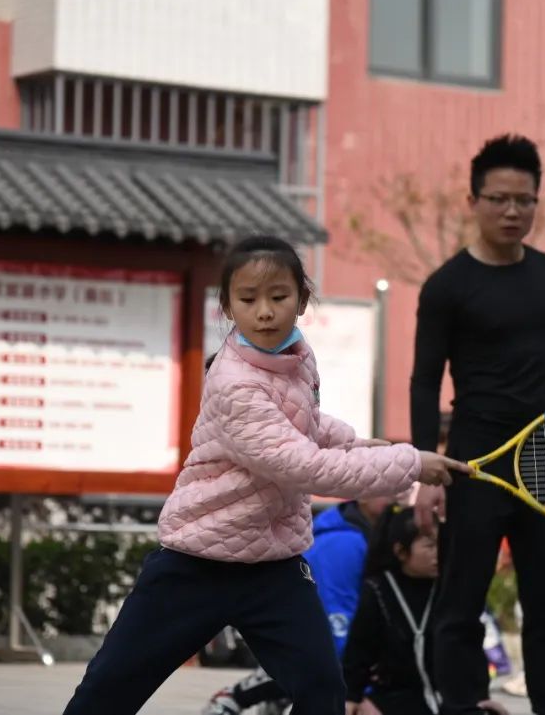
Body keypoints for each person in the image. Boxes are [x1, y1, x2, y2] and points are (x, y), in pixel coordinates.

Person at [62, 235, 467, 715]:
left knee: (322, 692)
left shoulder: (298, 357)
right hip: (198, 561)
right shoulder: (234, 383)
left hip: (274, 567)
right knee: (107, 693)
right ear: (229, 307)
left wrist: (360, 443)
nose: (265, 311)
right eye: (248, 299)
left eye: (278, 297)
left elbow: (304, 426)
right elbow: (301, 464)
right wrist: (410, 464)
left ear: (302, 299)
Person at [411, 134, 545, 714]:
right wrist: (424, 471)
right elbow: (424, 380)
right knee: (460, 604)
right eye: (499, 199)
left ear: (537, 202)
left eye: (525, 200)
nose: (513, 211)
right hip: (475, 458)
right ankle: (465, 707)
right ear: (474, 200)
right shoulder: (446, 287)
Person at [202, 496, 393, 715]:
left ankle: (262, 699)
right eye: (389, 490)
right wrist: (359, 685)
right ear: (363, 494)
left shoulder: (369, 534)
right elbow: (338, 614)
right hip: (315, 626)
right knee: (318, 668)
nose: (398, 497)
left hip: (314, 627)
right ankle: (236, 697)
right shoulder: (345, 542)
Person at [343, 507, 511, 715]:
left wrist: (480, 696)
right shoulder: (379, 590)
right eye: (430, 546)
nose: (438, 554)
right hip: (396, 698)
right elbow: (359, 651)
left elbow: (469, 645)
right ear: (401, 552)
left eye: (442, 545)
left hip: (449, 696)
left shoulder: (449, 586)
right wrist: (352, 698)